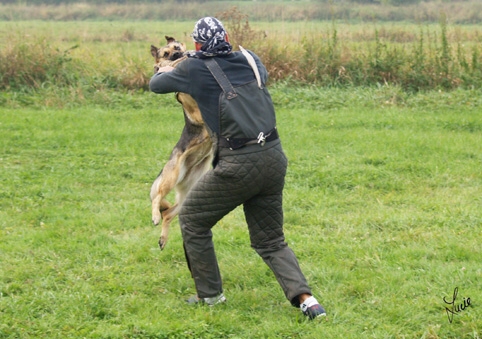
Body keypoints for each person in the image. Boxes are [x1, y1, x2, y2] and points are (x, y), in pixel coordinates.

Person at [149, 16, 326, 320]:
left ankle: (211, 297)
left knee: (191, 219)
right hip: (273, 158)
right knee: (270, 240)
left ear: (196, 44)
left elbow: (156, 85)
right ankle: (308, 301)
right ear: (228, 37)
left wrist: (175, 63)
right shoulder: (251, 58)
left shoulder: (192, 68)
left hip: (237, 164)